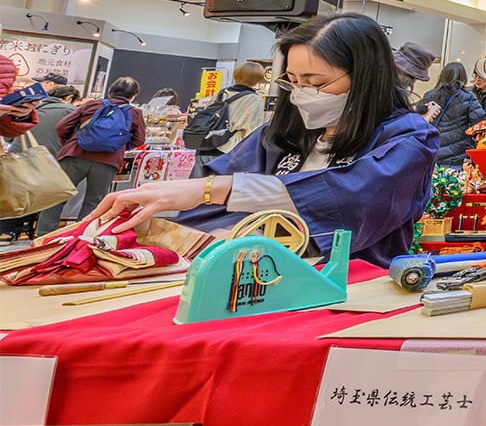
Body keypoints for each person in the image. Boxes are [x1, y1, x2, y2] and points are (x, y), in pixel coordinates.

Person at [92, 13, 437, 266]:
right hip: (246, 279)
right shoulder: (282, 133)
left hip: (347, 293)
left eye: (316, 83)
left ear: (365, 78)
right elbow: (212, 195)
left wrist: (215, 189)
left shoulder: (407, 138)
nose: (302, 94)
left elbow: (355, 201)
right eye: (293, 81)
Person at [56, 76, 148, 217]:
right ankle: (81, 235)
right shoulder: (134, 113)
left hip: (75, 154)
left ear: (110, 90)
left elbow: (62, 127)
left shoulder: (93, 105)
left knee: (57, 197)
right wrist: (118, 146)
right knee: (94, 202)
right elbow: (139, 139)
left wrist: (70, 142)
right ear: (134, 96)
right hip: (108, 161)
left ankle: (44, 234)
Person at [0, 83, 78, 240]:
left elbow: (8, 135)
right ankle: (44, 235)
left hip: (17, 152)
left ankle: (6, 233)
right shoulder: (70, 111)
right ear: (69, 98)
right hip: (45, 157)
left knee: (12, 193)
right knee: (33, 195)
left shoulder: (41, 109)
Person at [186, 63, 269, 163]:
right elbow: (252, 132)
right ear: (257, 79)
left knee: (199, 178)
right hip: (229, 151)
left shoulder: (221, 93)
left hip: (206, 145)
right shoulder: (254, 100)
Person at [416, 62, 486, 168]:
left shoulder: (429, 95)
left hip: (432, 152)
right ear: (463, 77)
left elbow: (419, 120)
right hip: (457, 156)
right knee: (453, 183)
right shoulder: (468, 97)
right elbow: (479, 125)